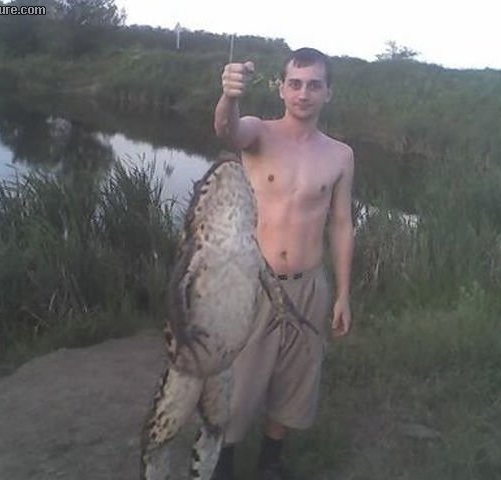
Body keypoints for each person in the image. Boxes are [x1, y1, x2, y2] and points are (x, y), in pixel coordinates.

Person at [212, 47, 354, 480]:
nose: (303, 93)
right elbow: (227, 129)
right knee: (239, 382)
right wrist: (229, 96)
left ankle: (270, 462)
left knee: (295, 380)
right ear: (281, 88)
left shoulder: (340, 155)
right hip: (256, 283)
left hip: (309, 285)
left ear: (328, 92)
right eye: (295, 83)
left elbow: (342, 224)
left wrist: (343, 295)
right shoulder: (259, 133)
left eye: (314, 85)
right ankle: (223, 463)